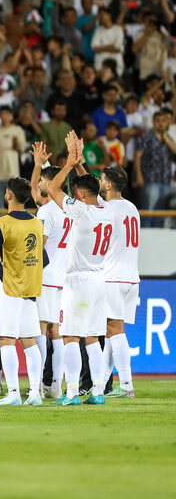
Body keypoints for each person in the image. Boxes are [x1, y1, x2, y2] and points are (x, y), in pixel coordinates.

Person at [46, 132, 111, 406]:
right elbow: (90, 187)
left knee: (70, 336)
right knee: (93, 339)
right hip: (99, 281)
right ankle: (98, 392)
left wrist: (69, 164)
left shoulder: (80, 211)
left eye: (76, 193)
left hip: (77, 281)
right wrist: (81, 162)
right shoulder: (107, 210)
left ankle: (72, 392)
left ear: (81, 195)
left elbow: (52, 189)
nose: (73, 196)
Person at [0, 177, 46, 406]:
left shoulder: (1, 224)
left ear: (9, 195)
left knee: (6, 340)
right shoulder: (37, 224)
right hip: (30, 287)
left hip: (8, 286)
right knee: (29, 340)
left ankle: (13, 393)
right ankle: (35, 393)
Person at [29, 142, 69, 400]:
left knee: (41, 329)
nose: (39, 183)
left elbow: (38, 246)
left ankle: (37, 386)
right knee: (58, 332)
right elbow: (34, 191)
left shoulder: (45, 211)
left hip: (45, 276)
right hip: (64, 277)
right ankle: (55, 386)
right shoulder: (71, 208)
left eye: (43, 180)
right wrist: (39, 164)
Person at [101, 166, 140, 399]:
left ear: (108, 185)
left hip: (113, 277)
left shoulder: (108, 209)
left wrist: (78, 165)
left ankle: (126, 383)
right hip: (131, 277)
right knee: (110, 331)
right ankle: (102, 382)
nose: (98, 182)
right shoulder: (132, 208)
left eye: (101, 179)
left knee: (115, 330)